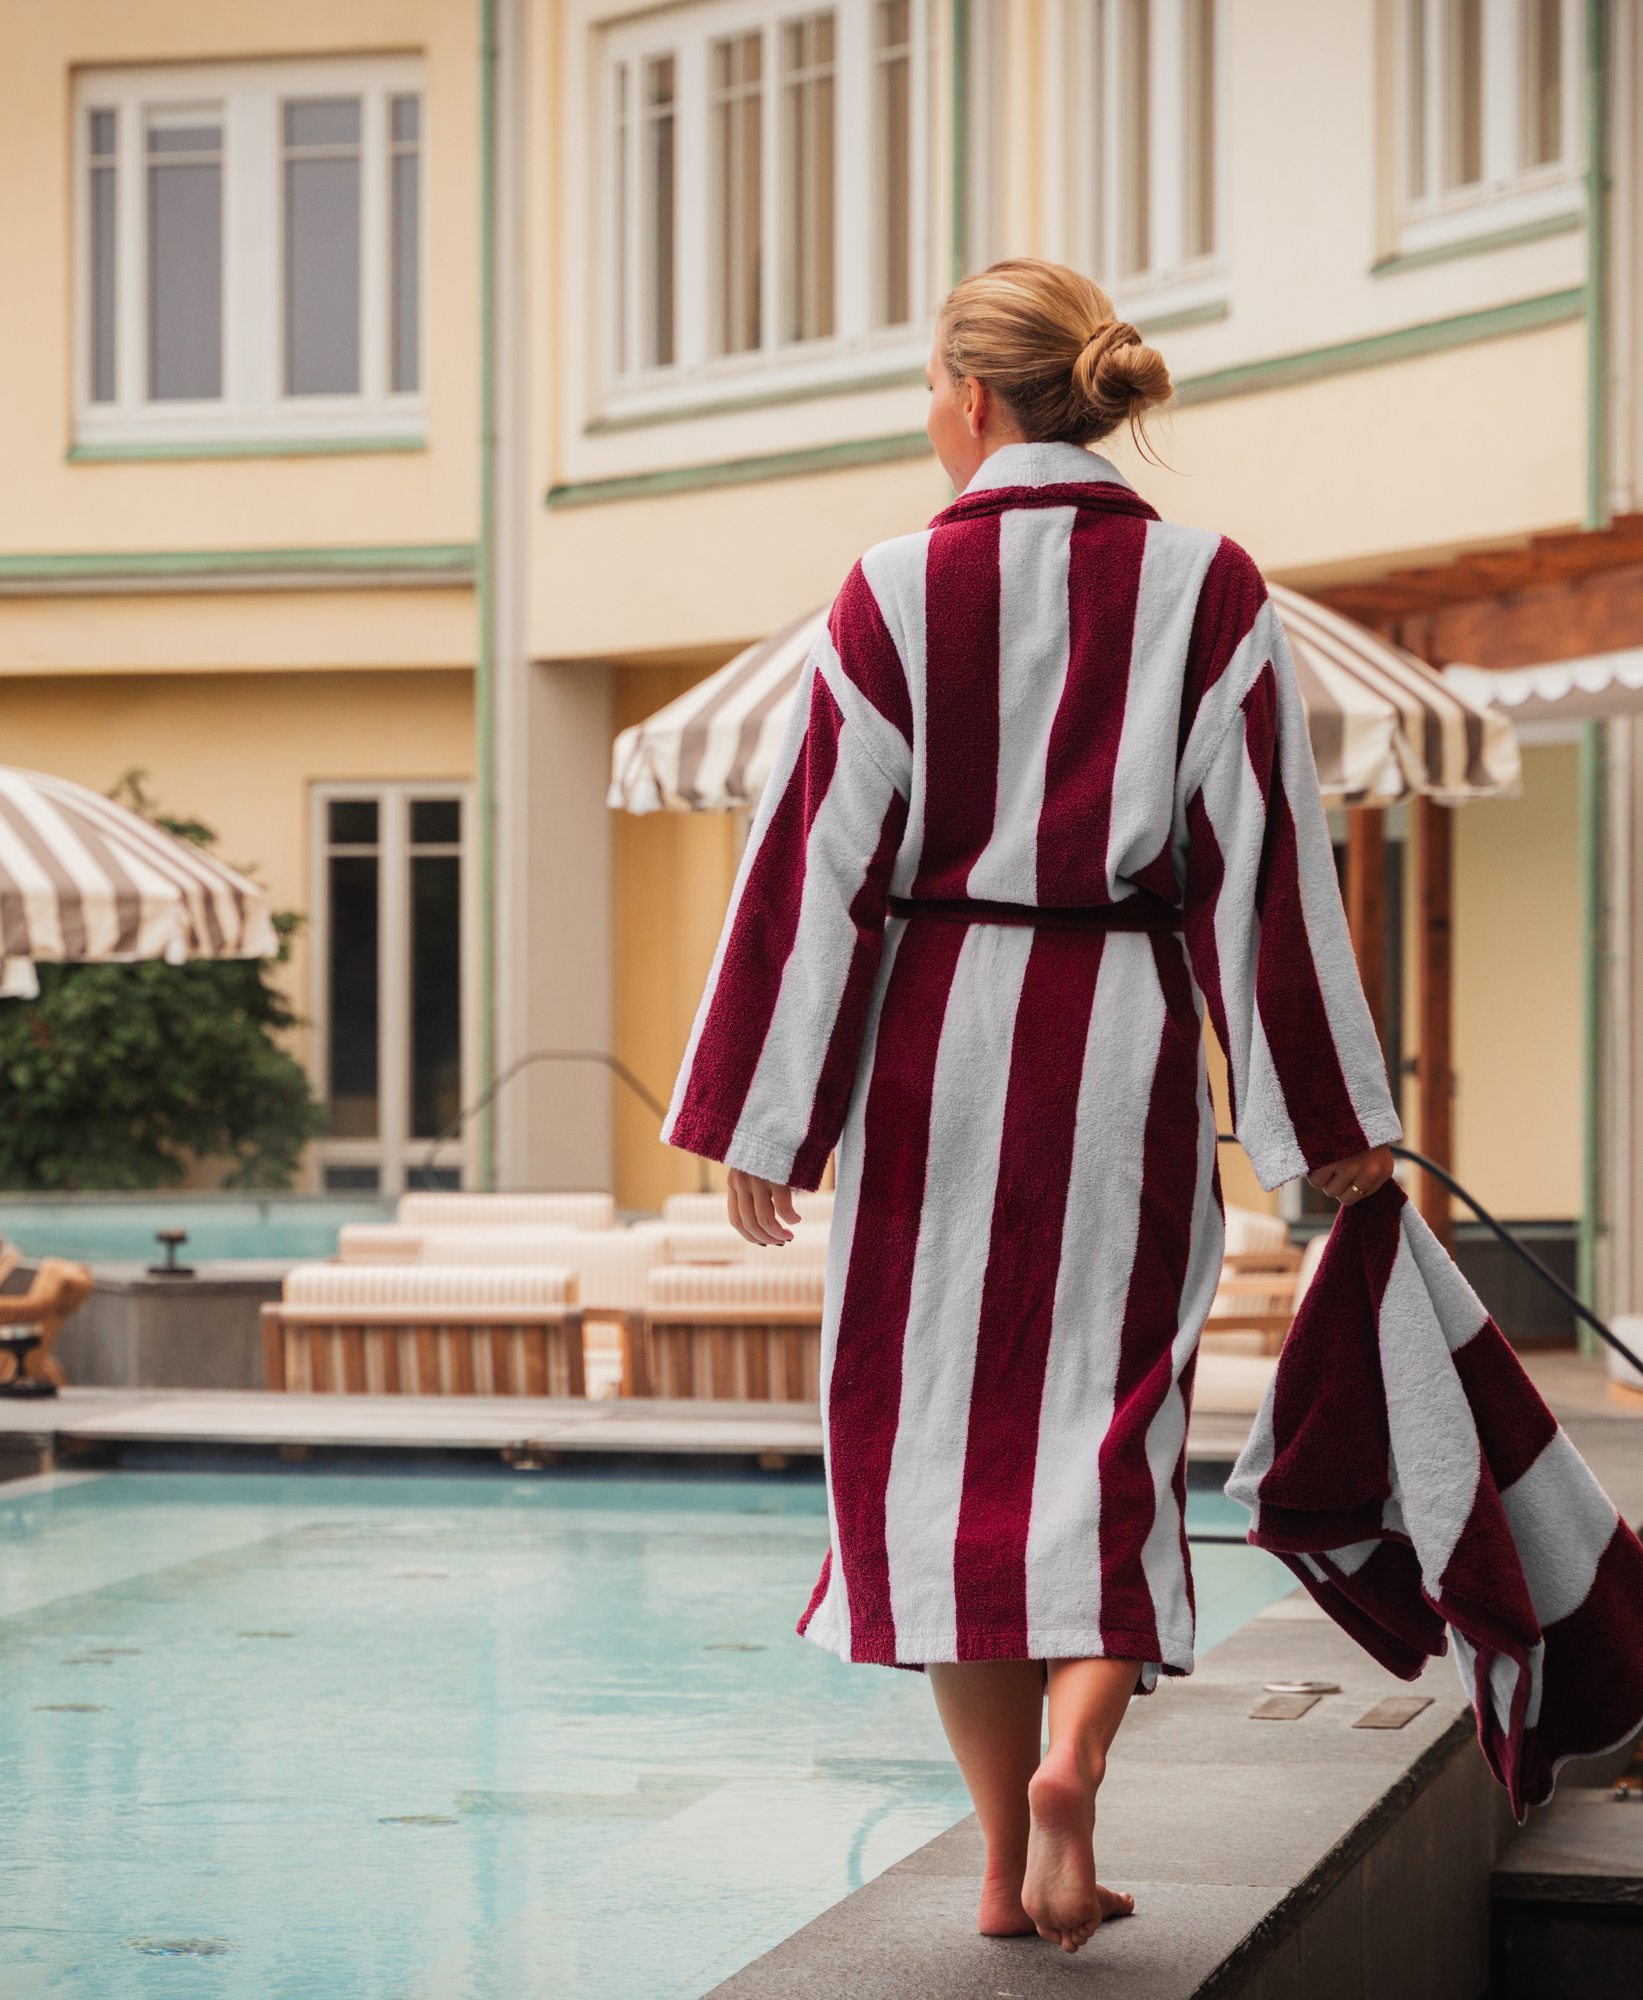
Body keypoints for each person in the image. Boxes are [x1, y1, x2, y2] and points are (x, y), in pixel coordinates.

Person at [660, 257, 1401, 1956]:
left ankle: (1003, 1864)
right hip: (1121, 1047)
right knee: (1110, 1432)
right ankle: (1079, 1767)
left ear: (974, 400)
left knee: (943, 1460)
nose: (930, 414)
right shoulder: (1209, 584)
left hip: (931, 1059)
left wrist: (765, 1120)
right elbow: (1267, 868)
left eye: (933, 386)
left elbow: (816, 861)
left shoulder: (890, 590)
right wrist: (1320, 1124)